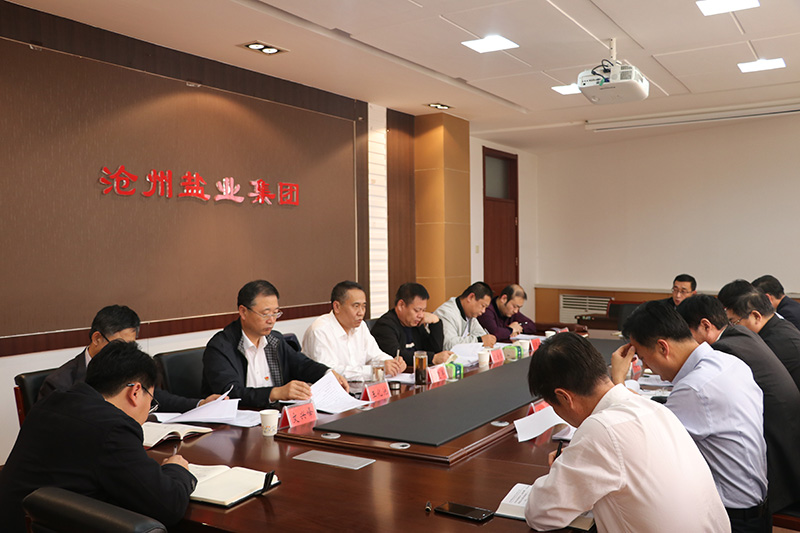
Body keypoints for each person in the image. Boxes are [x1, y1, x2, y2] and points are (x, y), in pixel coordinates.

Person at [524, 333, 728, 532]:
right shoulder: (651, 407)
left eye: (553, 406)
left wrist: (559, 468)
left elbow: (540, 514)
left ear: (564, 397)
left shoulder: (600, 429)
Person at [0, 341, 196, 531]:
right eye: (151, 400)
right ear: (136, 391)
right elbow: (169, 506)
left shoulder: (50, 402)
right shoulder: (113, 428)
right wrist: (176, 469)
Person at [615, 301, 768, 532]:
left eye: (644, 358)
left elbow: (642, 443)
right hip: (755, 507)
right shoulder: (728, 362)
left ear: (663, 347)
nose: (647, 367)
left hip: (731, 517)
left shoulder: (695, 388)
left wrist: (618, 382)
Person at [677, 294, 800, 514]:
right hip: (787, 442)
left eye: (686, 336)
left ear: (705, 326)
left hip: (775, 462)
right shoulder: (741, 334)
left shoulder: (723, 350)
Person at [38, 304, 215, 412]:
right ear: (97, 338)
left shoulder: (127, 365)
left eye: (130, 345)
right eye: (120, 344)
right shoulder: (59, 383)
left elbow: (157, 397)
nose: (125, 352)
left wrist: (200, 404)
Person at [202, 280, 348, 409]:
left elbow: (301, 364)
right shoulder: (220, 347)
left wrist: (328, 373)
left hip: (275, 416)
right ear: (243, 312)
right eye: (265, 314)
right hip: (236, 423)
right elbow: (231, 393)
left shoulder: (274, 340)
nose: (271, 320)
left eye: (275, 313)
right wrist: (275, 393)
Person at [303, 281, 406, 381]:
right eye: (356, 306)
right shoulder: (320, 330)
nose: (361, 313)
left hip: (358, 388)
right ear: (337, 307)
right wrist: (374, 370)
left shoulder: (361, 326)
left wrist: (391, 362)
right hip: (328, 390)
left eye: (363, 306)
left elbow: (375, 355)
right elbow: (329, 372)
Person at [718, 279, 800, 392]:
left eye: (734, 322)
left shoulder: (774, 342)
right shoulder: (778, 325)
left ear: (756, 316)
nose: (733, 328)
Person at [370, 282, 452, 366]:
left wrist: (436, 323)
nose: (421, 315)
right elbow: (396, 355)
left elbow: (434, 350)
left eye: (423, 310)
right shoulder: (385, 326)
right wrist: (432, 358)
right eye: (417, 310)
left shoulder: (415, 324)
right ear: (401, 305)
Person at [434, 282, 497, 350]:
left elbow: (481, 334)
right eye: (483, 306)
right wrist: (479, 340)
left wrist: (488, 339)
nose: (483, 311)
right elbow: (449, 345)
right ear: (470, 297)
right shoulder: (446, 313)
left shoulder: (470, 314)